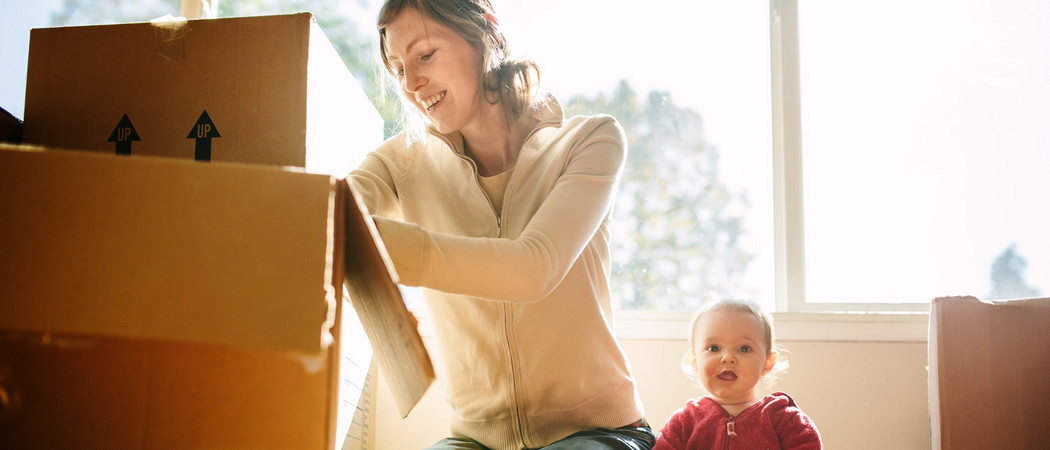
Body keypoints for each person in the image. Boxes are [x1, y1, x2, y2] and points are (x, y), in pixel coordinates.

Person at [347, 1, 651, 448]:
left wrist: (381, 247)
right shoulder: (402, 162)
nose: (411, 84)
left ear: (485, 35)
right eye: (398, 68)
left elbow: (534, 267)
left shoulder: (589, 141)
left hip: (600, 432)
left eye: (425, 55)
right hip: (476, 440)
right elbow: (332, 210)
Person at [653, 299, 822, 449]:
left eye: (744, 348)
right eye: (714, 348)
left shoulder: (785, 421)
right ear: (695, 361)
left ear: (767, 362)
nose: (727, 358)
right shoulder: (683, 423)